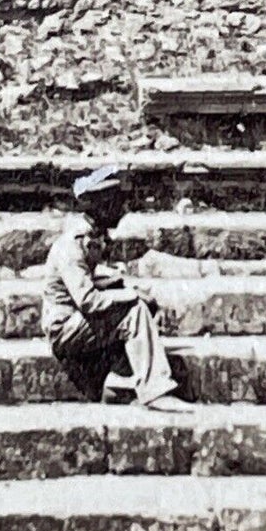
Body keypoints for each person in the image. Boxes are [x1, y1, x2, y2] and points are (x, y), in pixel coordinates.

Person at [41, 164, 193, 413]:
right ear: (99, 206)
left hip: (76, 322)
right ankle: (155, 390)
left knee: (134, 303)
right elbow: (88, 300)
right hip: (64, 330)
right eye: (114, 201)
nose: (121, 208)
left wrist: (125, 286)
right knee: (132, 312)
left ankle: (118, 384)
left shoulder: (93, 237)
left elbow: (92, 282)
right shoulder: (72, 245)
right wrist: (130, 295)